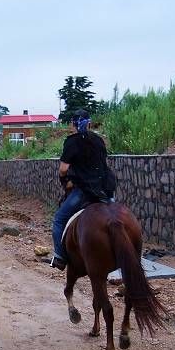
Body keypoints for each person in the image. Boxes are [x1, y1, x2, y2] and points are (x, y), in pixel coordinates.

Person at [50, 109, 116, 270]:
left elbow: (63, 169)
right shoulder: (99, 140)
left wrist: (66, 179)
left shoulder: (72, 141)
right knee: (115, 218)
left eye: (71, 123)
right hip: (106, 189)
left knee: (58, 219)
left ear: (74, 123)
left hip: (85, 190)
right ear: (89, 123)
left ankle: (59, 257)